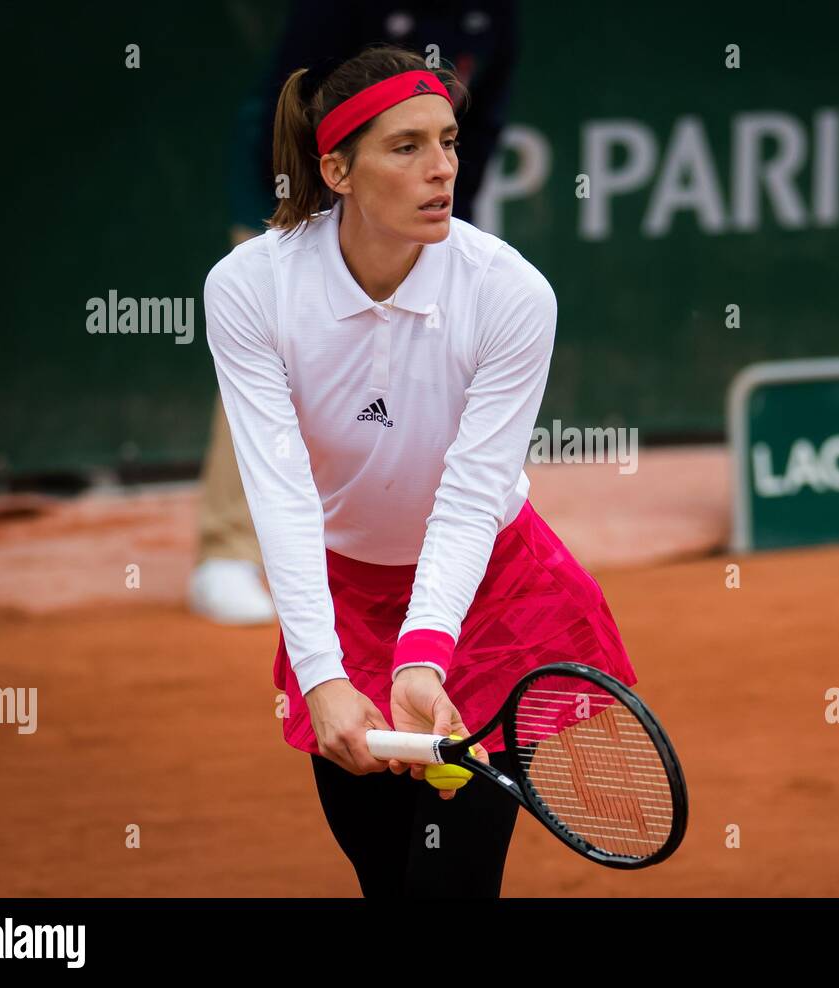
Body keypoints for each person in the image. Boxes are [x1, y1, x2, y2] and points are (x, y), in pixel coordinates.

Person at [202, 43, 637, 897]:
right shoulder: (250, 289)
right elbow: (281, 493)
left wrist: (423, 658)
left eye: (448, 141)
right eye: (406, 148)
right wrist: (325, 677)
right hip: (341, 598)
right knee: (385, 874)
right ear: (337, 169)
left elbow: (472, 494)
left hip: (493, 598)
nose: (441, 169)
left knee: (451, 883)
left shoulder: (511, 294)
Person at [190, 0, 520, 624]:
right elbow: (300, 94)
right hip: (292, 192)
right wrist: (318, 234)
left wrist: (443, 224)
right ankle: (228, 551)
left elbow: (486, 117)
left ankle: (420, 548)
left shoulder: (497, 10)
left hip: (403, 210)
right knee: (277, 379)